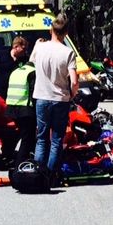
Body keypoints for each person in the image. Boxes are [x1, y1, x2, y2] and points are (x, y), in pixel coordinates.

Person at [31, 13, 78, 177]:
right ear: (66, 33)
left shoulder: (39, 47)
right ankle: (51, 175)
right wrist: (71, 95)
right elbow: (73, 81)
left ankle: (37, 174)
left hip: (42, 97)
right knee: (57, 139)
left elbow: (33, 62)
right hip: (60, 99)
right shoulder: (68, 53)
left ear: (51, 29)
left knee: (42, 138)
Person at [5, 59, 37, 164]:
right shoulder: (33, 72)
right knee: (27, 138)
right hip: (25, 109)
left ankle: (10, 156)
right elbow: (34, 93)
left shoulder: (16, 71)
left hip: (11, 108)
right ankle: (20, 163)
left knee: (21, 134)